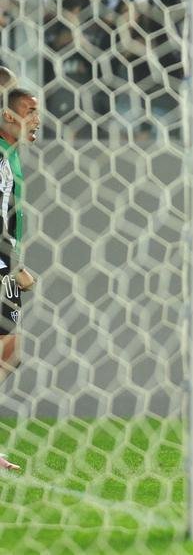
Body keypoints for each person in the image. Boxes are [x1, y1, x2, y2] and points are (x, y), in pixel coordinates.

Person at [0, 83, 41, 473]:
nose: (37, 119)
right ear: (9, 115)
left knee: (9, 352)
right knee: (7, 349)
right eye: (30, 110)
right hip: (0, 263)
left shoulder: (10, 155)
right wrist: (12, 265)